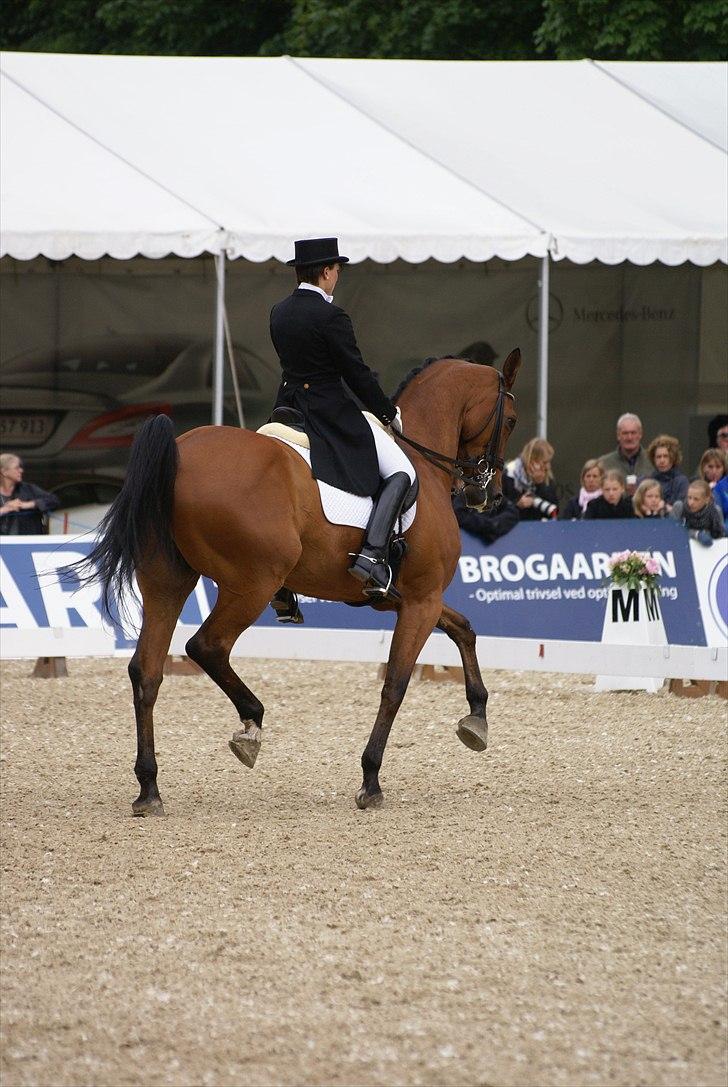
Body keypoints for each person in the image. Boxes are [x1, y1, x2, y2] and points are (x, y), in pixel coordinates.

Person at [269, 238, 416, 602]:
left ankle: (283, 585)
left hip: (289, 407)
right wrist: (387, 412)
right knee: (402, 472)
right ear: (324, 272)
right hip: (329, 412)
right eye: (336, 270)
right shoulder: (331, 317)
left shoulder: (279, 312)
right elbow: (356, 374)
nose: (337, 276)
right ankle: (373, 555)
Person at [0, 453, 59, 535]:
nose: (21, 470)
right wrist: (4, 509)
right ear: (4, 472)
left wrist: (27, 504)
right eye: (17, 468)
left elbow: (54, 501)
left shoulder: (28, 489)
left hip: (28, 542)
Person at [503, 438, 559, 521]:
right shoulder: (509, 474)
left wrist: (540, 484)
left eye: (549, 462)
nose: (548, 466)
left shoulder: (546, 477)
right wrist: (517, 504)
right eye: (544, 462)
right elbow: (499, 507)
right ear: (532, 460)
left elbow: (553, 509)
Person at [598, 413, 652, 495]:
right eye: (625, 433)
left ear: (640, 434)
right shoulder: (603, 463)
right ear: (618, 435)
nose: (629, 438)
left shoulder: (653, 460)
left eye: (633, 433)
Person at [452, 488, 518, 544]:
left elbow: (512, 511)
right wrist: (486, 525)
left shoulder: (493, 494)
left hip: (494, 537)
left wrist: (495, 524)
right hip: (467, 541)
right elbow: (458, 514)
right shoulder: (464, 494)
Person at [646, 434, 689, 511]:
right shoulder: (647, 481)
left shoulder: (681, 481)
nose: (662, 461)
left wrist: (664, 507)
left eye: (666, 456)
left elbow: (682, 509)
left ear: (673, 458)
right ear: (654, 459)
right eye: (658, 457)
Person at [698, 448, 728, 523]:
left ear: (724, 469)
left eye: (718, 467)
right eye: (710, 467)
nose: (714, 471)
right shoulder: (695, 485)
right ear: (704, 467)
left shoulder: (725, 485)